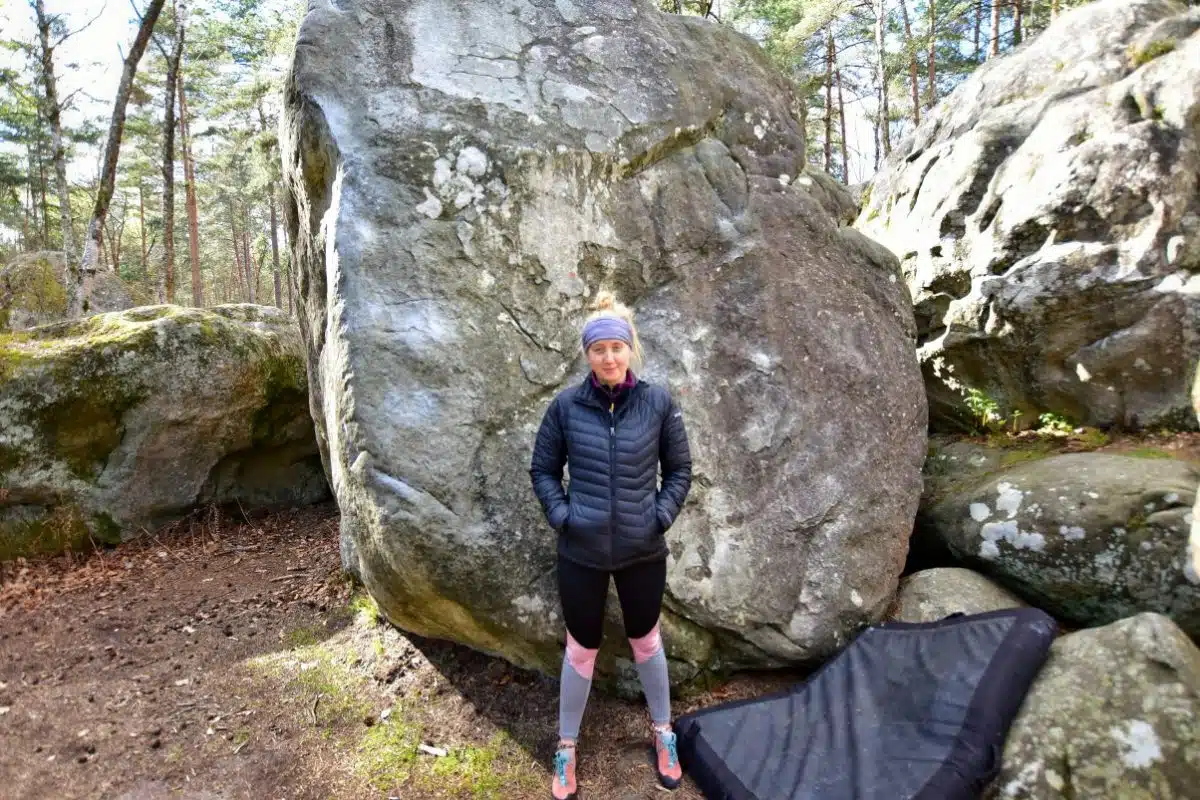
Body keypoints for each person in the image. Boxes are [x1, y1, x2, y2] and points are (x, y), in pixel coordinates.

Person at [530, 291, 693, 799]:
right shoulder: (565, 407)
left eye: (616, 348)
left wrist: (659, 516)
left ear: (630, 349)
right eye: (598, 349)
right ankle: (566, 746)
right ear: (587, 355)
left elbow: (681, 469)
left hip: (642, 551)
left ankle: (664, 733)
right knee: (581, 648)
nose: (608, 358)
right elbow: (542, 469)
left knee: (647, 640)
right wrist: (564, 517)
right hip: (581, 553)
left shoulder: (658, 403)